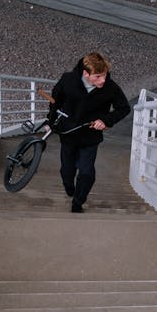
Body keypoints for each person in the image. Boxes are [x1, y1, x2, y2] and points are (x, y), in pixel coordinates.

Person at [47, 52, 131, 213]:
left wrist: (106, 121)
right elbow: (55, 102)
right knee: (67, 170)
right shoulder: (68, 80)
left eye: (105, 75)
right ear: (86, 74)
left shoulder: (110, 88)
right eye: (98, 76)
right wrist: (50, 121)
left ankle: (78, 202)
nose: (103, 80)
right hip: (68, 133)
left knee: (86, 172)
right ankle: (69, 188)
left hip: (90, 137)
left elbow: (124, 108)